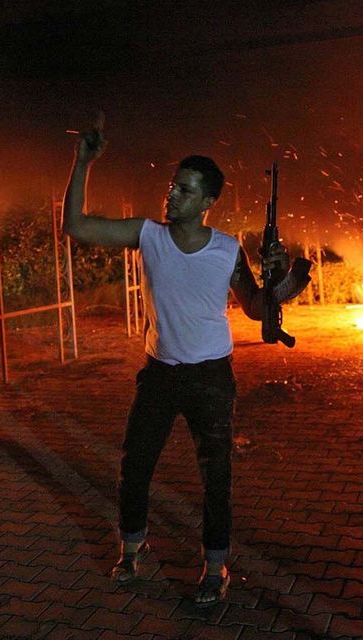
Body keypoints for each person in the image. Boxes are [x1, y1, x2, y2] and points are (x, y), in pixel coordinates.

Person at [62, 115, 308, 607]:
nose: (173, 195)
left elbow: (256, 307)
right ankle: (131, 550)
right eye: (174, 185)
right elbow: (76, 226)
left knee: (216, 478)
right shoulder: (148, 235)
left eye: (187, 191)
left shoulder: (226, 250)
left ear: (208, 202)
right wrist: (81, 163)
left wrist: (285, 283)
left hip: (211, 379)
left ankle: (215, 568)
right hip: (159, 374)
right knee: (135, 468)